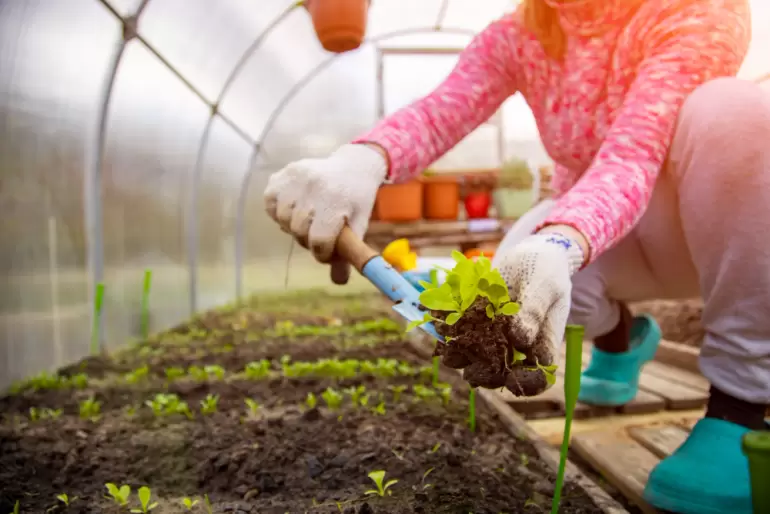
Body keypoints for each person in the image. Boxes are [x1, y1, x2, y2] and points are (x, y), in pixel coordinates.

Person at [264, 0, 770, 512]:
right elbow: (443, 110)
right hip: (605, 229)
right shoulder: (520, 33)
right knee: (514, 292)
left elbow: (634, 152)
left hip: (699, 228)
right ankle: (622, 339)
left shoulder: (697, 8)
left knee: (733, 111)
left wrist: (561, 240)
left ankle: (741, 408)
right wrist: (363, 159)